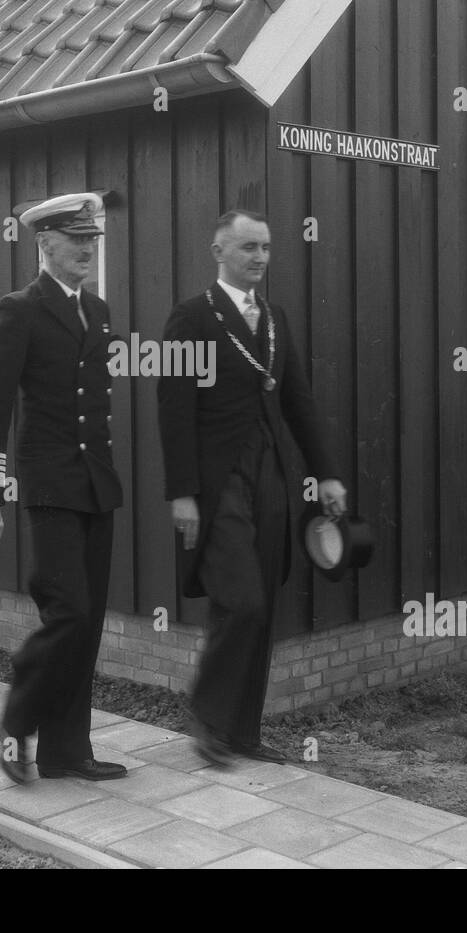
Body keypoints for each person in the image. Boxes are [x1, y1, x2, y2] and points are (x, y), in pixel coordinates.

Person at [158, 209, 347, 767]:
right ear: (219, 252)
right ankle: (208, 716)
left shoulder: (275, 318)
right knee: (239, 598)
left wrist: (326, 472)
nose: (260, 258)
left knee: (261, 604)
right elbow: (173, 410)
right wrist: (182, 492)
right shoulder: (190, 317)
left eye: (265, 248)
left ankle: (241, 732)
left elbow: (298, 402)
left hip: (268, 477)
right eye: (247, 248)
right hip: (218, 484)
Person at [0, 192, 126, 784]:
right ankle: (18, 718)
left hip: (95, 487)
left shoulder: (98, 311)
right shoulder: (20, 309)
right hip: (49, 485)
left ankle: (67, 751)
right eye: (75, 239)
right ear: (44, 244)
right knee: (67, 613)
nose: (87, 248)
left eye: (92, 240)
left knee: (87, 626)